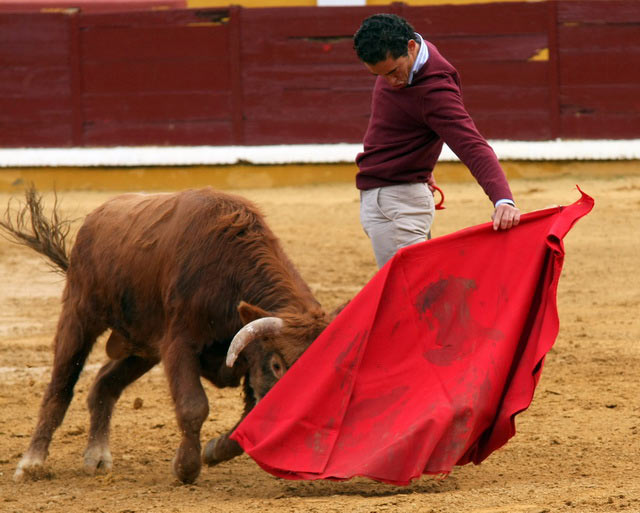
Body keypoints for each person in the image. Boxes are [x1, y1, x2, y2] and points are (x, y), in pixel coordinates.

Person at [353, 13, 520, 268]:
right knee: (416, 292)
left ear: (411, 47)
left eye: (393, 72)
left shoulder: (434, 91)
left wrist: (502, 199)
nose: (391, 82)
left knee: (408, 298)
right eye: (380, 75)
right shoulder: (411, 57)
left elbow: (472, 145)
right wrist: (422, 164)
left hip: (398, 202)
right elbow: (404, 126)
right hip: (397, 195)